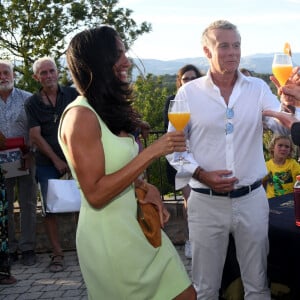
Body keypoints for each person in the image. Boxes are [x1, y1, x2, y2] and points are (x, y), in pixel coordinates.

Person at [58, 25, 196, 299]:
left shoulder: (107, 110)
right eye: (118, 54)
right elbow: (95, 193)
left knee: (186, 294)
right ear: (99, 61)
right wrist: (152, 152)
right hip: (110, 239)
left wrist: (145, 188)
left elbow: (115, 167)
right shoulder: (80, 118)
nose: (127, 61)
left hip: (139, 228)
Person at [167, 20, 287, 300]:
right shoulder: (189, 92)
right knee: (205, 288)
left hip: (252, 200)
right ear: (207, 52)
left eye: (236, 45)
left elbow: (281, 126)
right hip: (205, 202)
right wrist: (200, 173)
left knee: (258, 286)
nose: (233, 52)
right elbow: (174, 147)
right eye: (224, 46)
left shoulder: (257, 88)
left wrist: (291, 103)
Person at [24, 57, 78, 272]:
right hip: (47, 163)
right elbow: (35, 136)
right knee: (50, 210)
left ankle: (86, 249)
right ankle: (57, 254)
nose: (48, 75)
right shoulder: (33, 103)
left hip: (76, 160)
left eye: (51, 71)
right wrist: (56, 160)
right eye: (43, 73)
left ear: (58, 72)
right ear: (37, 77)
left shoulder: (72, 95)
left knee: (82, 205)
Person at [0, 60, 37, 266]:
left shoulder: (27, 99)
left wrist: (31, 150)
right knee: (4, 207)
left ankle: (28, 248)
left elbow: (35, 128)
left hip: (26, 159)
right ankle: (10, 248)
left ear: (13, 76)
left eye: (6, 73)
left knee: (28, 203)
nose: (2, 77)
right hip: (1, 163)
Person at [163, 64, 202, 259]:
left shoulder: (205, 101)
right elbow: (170, 133)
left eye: (193, 78)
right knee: (190, 202)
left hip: (202, 159)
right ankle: (190, 240)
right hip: (182, 159)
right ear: (180, 81)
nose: (190, 82)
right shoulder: (173, 101)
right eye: (186, 79)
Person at [263, 134, 300, 198]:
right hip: (272, 202)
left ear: (290, 150)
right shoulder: (266, 166)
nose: (283, 148)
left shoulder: (293, 164)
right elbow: (262, 184)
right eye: (280, 145)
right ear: (272, 148)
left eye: (287, 146)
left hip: (290, 202)